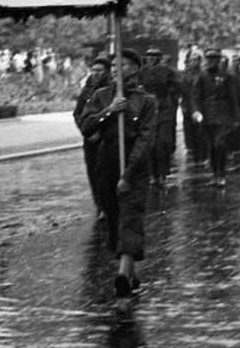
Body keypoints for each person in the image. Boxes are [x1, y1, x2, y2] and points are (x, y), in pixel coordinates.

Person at [80, 48, 156, 298]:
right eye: (113, 65)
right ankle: (131, 273)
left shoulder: (146, 101)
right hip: (107, 162)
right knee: (114, 221)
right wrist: (109, 111)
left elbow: (145, 141)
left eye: (121, 65)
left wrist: (128, 175)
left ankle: (122, 274)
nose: (115, 69)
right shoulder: (101, 96)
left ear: (134, 69)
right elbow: (86, 126)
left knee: (130, 218)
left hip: (134, 165)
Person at [191, 49, 240, 187]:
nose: (212, 62)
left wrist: (236, 117)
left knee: (220, 144)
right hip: (207, 116)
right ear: (206, 61)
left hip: (223, 115)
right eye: (209, 59)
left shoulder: (226, 76)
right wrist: (195, 111)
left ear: (219, 61)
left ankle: (221, 174)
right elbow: (195, 96)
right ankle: (214, 174)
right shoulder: (201, 77)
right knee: (211, 146)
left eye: (215, 59)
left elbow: (232, 97)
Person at [137, 47, 180, 188]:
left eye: (156, 56)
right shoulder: (142, 73)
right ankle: (153, 175)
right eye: (150, 56)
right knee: (150, 145)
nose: (153, 59)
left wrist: (170, 97)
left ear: (160, 58)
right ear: (146, 58)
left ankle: (163, 174)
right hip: (148, 111)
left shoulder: (167, 72)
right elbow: (136, 88)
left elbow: (178, 86)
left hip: (164, 110)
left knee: (161, 144)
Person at [74, 54, 111, 216]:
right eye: (93, 70)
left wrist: (100, 131)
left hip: (106, 138)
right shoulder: (87, 90)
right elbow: (77, 113)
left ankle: (107, 204)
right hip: (90, 138)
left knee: (106, 172)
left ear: (107, 72)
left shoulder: (111, 90)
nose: (95, 73)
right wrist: (86, 131)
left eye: (99, 71)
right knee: (92, 171)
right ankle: (99, 205)